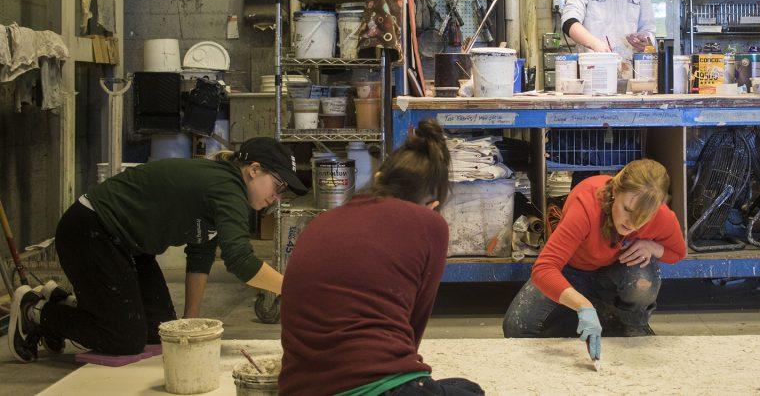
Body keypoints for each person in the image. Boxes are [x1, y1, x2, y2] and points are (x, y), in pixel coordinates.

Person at [6, 137, 306, 362]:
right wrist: (295, 289)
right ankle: (36, 310)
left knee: (161, 334)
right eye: (278, 187)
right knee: (123, 340)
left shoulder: (224, 188)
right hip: (90, 231)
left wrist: (189, 326)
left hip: (128, 245)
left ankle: (63, 303)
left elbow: (200, 259)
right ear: (254, 170)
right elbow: (240, 261)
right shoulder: (227, 187)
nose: (277, 198)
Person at [279, 119, 483, 396]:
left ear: (378, 180)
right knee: (470, 391)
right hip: (374, 387)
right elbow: (414, 325)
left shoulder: (324, 220)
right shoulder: (429, 223)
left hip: (299, 389)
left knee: (458, 388)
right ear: (432, 205)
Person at [502, 160, 686, 361]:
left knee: (643, 276)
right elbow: (544, 269)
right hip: (573, 270)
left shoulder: (660, 216)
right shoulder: (587, 204)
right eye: (627, 209)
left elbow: (678, 253)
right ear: (615, 191)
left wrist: (652, 247)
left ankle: (632, 324)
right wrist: (583, 306)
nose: (632, 223)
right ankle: (600, 313)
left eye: (643, 217)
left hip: (614, 272)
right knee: (516, 328)